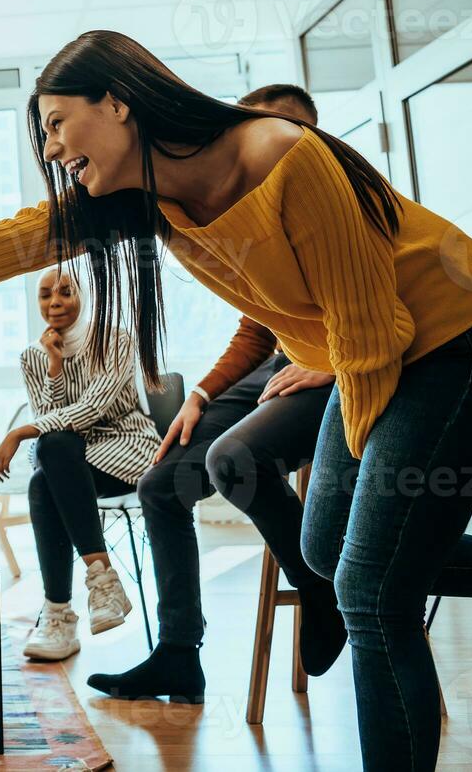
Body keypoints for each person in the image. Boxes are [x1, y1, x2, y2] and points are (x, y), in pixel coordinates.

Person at [0, 31, 472, 772]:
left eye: (56, 124)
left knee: (371, 595)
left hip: (458, 344)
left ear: (118, 101)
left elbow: (375, 334)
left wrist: (360, 450)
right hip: (379, 356)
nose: (51, 150)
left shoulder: (280, 154)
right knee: (327, 554)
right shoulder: (151, 202)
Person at [87, 84, 342, 704]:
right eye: (266, 128)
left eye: (297, 131)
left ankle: (318, 585)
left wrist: (336, 367)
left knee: (235, 461)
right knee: (159, 485)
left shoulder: (333, 200)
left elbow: (390, 309)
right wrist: (201, 392)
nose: (282, 143)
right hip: (276, 369)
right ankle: (179, 653)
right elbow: (255, 330)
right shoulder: (250, 214)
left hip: (337, 368)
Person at [0, 267, 160, 662]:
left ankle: (61, 611)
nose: (55, 302)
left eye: (65, 292)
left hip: (123, 447)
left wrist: (17, 434)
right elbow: (51, 417)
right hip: (68, 460)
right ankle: (94, 589)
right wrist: (55, 366)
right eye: (45, 295)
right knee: (45, 473)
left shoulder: (115, 339)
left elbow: (94, 409)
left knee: (50, 457)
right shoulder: (33, 355)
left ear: (86, 294)